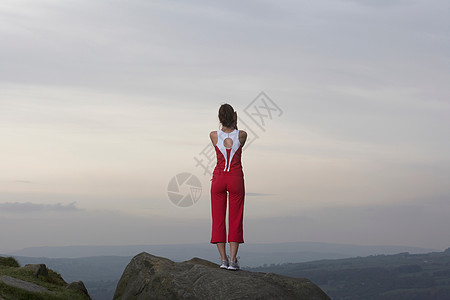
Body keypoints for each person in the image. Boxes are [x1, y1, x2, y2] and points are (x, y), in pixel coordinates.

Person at [210, 103, 247, 271]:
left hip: (218, 178)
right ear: (234, 116)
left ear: (219, 118)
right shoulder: (242, 135)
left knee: (218, 219)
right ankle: (233, 260)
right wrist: (235, 122)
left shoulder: (213, 135)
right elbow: (236, 134)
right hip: (235, 178)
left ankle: (223, 259)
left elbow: (224, 137)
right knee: (235, 218)